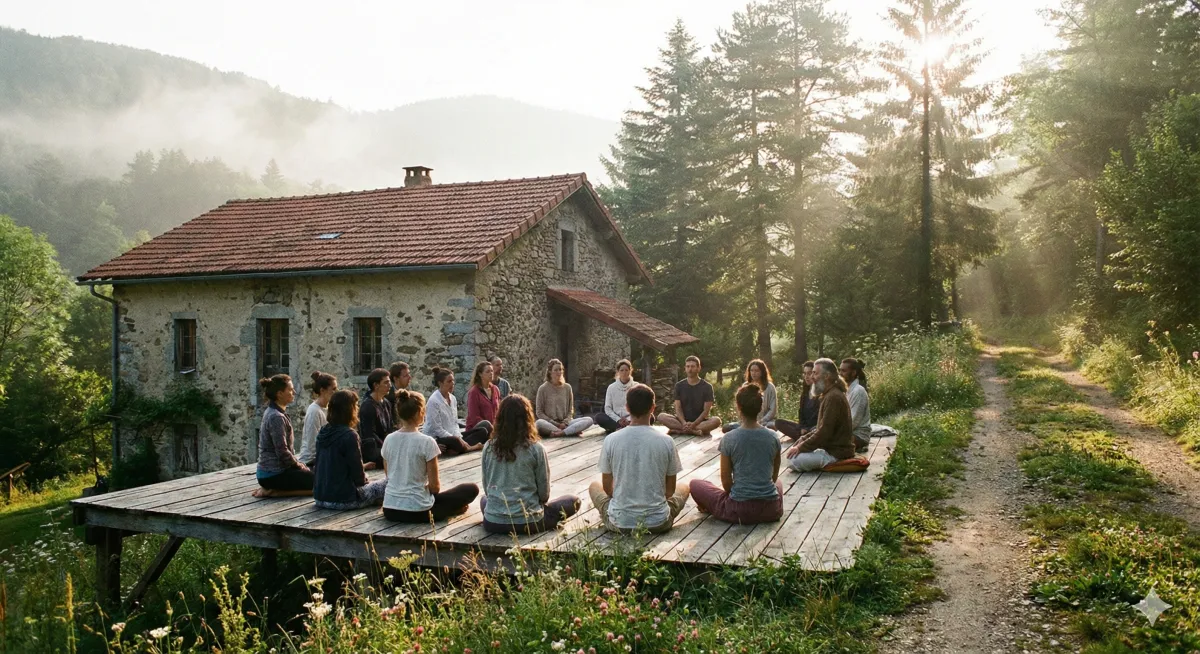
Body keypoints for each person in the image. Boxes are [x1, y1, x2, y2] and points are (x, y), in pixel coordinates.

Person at [589, 383, 689, 534]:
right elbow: (669, 492)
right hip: (658, 522)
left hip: (620, 522)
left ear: (627, 408)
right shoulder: (667, 441)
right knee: (684, 487)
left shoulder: (611, 440)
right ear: (653, 408)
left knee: (594, 486)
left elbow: (608, 489)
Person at [480, 394, 581, 534]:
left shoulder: (489, 446)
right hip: (529, 522)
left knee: (484, 500)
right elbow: (543, 494)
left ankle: (497, 515)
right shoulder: (535, 449)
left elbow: (487, 488)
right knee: (573, 501)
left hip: (493, 522)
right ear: (528, 418)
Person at [383, 388, 480, 523]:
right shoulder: (427, 442)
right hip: (418, 510)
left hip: (390, 509)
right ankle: (449, 510)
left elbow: (389, 477)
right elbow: (435, 487)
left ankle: (446, 508)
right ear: (419, 413)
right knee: (471, 489)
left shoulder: (388, 439)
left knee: (433, 498)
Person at [690, 383, 784, 524]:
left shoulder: (729, 438)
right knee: (778, 483)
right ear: (760, 408)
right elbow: (773, 476)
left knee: (695, 484)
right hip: (771, 510)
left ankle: (711, 508)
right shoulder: (773, 437)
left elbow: (727, 482)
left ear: (738, 407)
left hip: (739, 510)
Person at [313, 389, 388, 509]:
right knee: (388, 483)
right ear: (350, 410)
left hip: (320, 498)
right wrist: (366, 482)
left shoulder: (323, 431)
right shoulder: (349, 435)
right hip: (345, 500)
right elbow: (359, 479)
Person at [784, 358, 856, 471]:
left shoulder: (833, 397)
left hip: (837, 454)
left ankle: (831, 465)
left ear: (826, 376)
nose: (812, 377)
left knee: (792, 461)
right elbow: (819, 429)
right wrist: (802, 441)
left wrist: (801, 447)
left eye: (815, 373)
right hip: (829, 450)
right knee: (793, 453)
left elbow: (824, 432)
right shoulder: (828, 394)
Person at [254, 374, 313, 496]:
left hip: (277, 471)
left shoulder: (276, 412)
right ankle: (274, 492)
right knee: (320, 482)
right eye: (290, 390)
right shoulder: (276, 417)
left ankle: (274, 490)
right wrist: (298, 465)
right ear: (279, 394)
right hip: (273, 474)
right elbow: (282, 451)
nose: (294, 392)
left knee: (317, 473)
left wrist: (299, 465)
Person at [421, 367, 486, 455]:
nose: (452, 384)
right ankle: (470, 448)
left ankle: (458, 448)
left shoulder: (453, 398)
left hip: (453, 435)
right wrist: (457, 439)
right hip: (438, 438)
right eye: (449, 381)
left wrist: (459, 437)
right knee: (455, 441)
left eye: (453, 381)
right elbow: (437, 429)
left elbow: (455, 423)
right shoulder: (434, 401)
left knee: (483, 431)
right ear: (440, 383)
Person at [657, 355, 721, 436]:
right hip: (681, 421)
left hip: (700, 422)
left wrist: (694, 424)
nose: (690, 369)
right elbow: (678, 408)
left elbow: (706, 411)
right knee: (661, 416)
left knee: (716, 420)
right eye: (688, 366)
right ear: (685, 368)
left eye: (693, 366)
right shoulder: (679, 385)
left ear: (699, 368)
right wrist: (684, 423)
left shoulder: (707, 387)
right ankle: (693, 431)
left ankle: (681, 430)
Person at [534, 358, 594, 437]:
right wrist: (556, 424)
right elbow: (539, 412)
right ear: (549, 372)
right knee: (539, 423)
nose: (559, 372)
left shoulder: (567, 387)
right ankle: (569, 431)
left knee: (589, 420)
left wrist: (565, 422)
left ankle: (562, 433)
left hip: (566, 423)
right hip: (550, 423)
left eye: (560, 369)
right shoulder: (543, 389)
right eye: (556, 370)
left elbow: (570, 410)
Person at [721, 359, 777, 434]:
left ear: (762, 372)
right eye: (752, 370)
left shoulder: (770, 387)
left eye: (757, 371)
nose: (754, 373)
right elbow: (740, 406)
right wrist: (745, 422)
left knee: (773, 426)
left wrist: (761, 421)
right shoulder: (745, 386)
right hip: (747, 422)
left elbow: (772, 410)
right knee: (726, 427)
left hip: (765, 422)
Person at [298, 371, 337, 466]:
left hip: (325, 455)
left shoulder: (329, 407)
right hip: (312, 460)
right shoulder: (314, 412)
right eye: (333, 389)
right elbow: (313, 445)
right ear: (322, 390)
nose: (336, 392)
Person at [358, 368, 392, 469]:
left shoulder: (386, 403)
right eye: (386, 383)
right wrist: (387, 447)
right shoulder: (367, 406)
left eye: (389, 382)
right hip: (373, 448)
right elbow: (369, 435)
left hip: (385, 445)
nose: (389, 385)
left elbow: (389, 427)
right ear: (376, 385)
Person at [776, 360, 818, 440]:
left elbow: (820, 420)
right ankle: (803, 436)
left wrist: (808, 429)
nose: (806, 376)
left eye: (809, 373)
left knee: (813, 431)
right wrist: (802, 427)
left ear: (814, 374)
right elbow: (801, 415)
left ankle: (805, 437)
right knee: (778, 422)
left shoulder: (821, 394)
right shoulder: (805, 393)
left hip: (814, 429)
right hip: (803, 428)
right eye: (805, 373)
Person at [595, 359, 635, 434]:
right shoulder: (611, 387)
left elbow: (638, 407)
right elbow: (608, 408)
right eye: (622, 370)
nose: (624, 372)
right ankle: (623, 427)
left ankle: (621, 428)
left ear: (630, 371)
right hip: (616, 420)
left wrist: (628, 419)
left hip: (632, 419)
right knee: (599, 417)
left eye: (626, 370)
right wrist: (618, 420)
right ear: (618, 372)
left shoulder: (636, 386)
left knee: (650, 417)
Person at [841, 358, 872, 452]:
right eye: (839, 370)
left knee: (826, 443)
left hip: (859, 436)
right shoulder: (846, 391)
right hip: (847, 433)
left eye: (843, 371)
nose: (840, 373)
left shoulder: (858, 391)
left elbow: (853, 421)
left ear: (853, 373)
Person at [465, 360, 499, 438]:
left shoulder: (495, 389)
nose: (491, 373)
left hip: (493, 428)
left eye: (492, 371)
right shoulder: (474, 392)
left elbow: (498, 411)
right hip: (478, 429)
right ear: (480, 374)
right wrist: (492, 428)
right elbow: (474, 417)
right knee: (486, 424)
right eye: (487, 371)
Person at [386, 361, 412, 428]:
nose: (410, 377)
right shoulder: (389, 396)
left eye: (409, 374)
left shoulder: (407, 390)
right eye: (406, 376)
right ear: (396, 378)